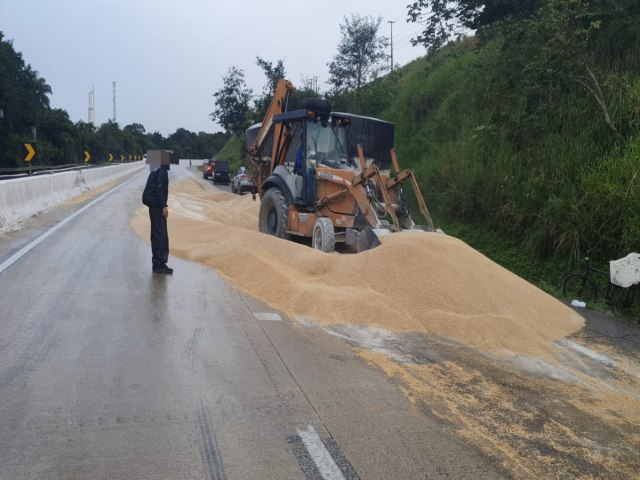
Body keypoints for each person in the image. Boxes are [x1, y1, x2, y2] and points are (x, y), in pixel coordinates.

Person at [142, 152, 173, 274]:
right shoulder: (161, 171)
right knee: (161, 235)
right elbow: (159, 188)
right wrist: (164, 206)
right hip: (157, 206)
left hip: (153, 206)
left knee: (156, 235)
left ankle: (156, 264)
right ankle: (160, 264)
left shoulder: (156, 169)